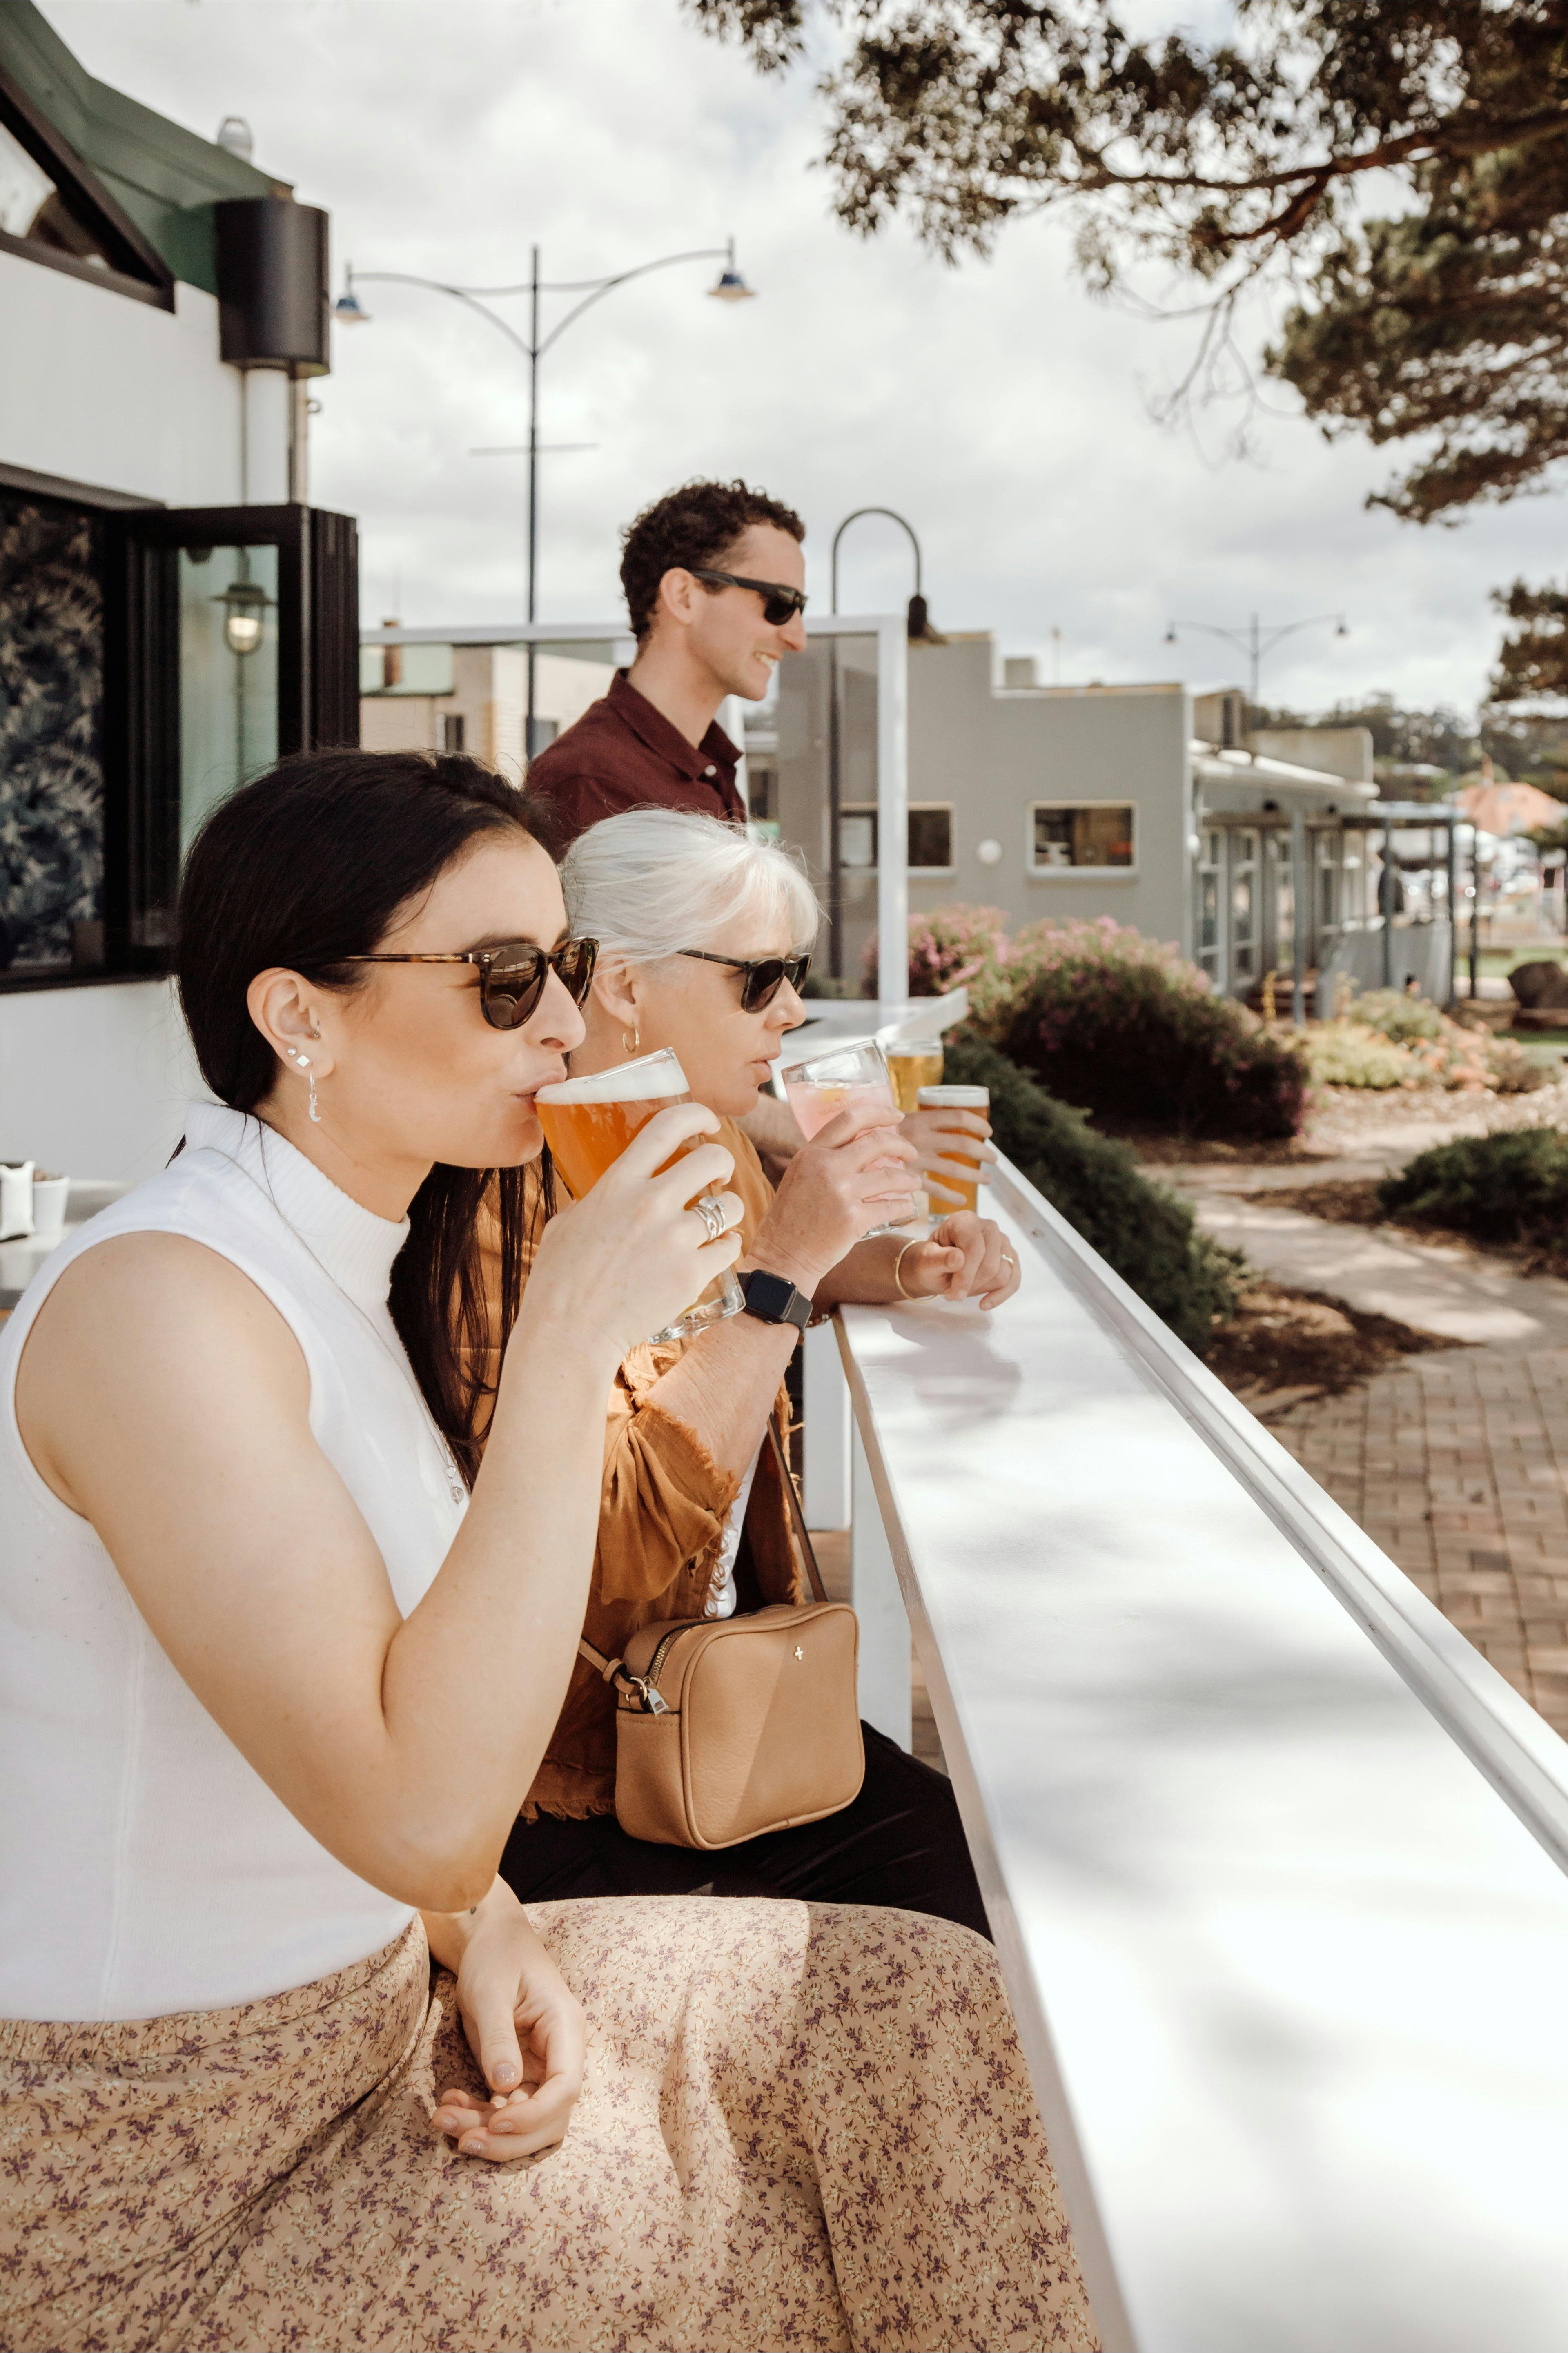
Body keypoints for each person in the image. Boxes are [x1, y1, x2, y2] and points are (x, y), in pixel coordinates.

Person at [0, 748, 1094, 2353]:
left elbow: (398, 1766)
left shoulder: (324, 1265)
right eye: (509, 982)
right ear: (298, 1015)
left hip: (383, 2026)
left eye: (564, 975)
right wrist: (577, 1334)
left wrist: (481, 1928)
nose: (571, 1032)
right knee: (808, 2244)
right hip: (161, 2177)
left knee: (942, 2012)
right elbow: (427, 1806)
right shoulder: (164, 1309)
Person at [483, 807, 1018, 1935]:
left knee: (1010, 1889)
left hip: (723, 1704)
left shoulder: (700, 1131)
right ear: (623, 986)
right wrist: (788, 1262)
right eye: (761, 978)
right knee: (970, 1926)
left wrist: (897, 1264)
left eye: (797, 975)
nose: (795, 1010)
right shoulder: (504, 1201)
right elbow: (615, 1540)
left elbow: (744, 1301)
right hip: (580, 1780)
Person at [525, 477, 806, 848]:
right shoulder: (589, 781)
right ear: (684, 596)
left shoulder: (708, 770)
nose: (797, 639)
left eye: (799, 608)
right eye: (781, 604)